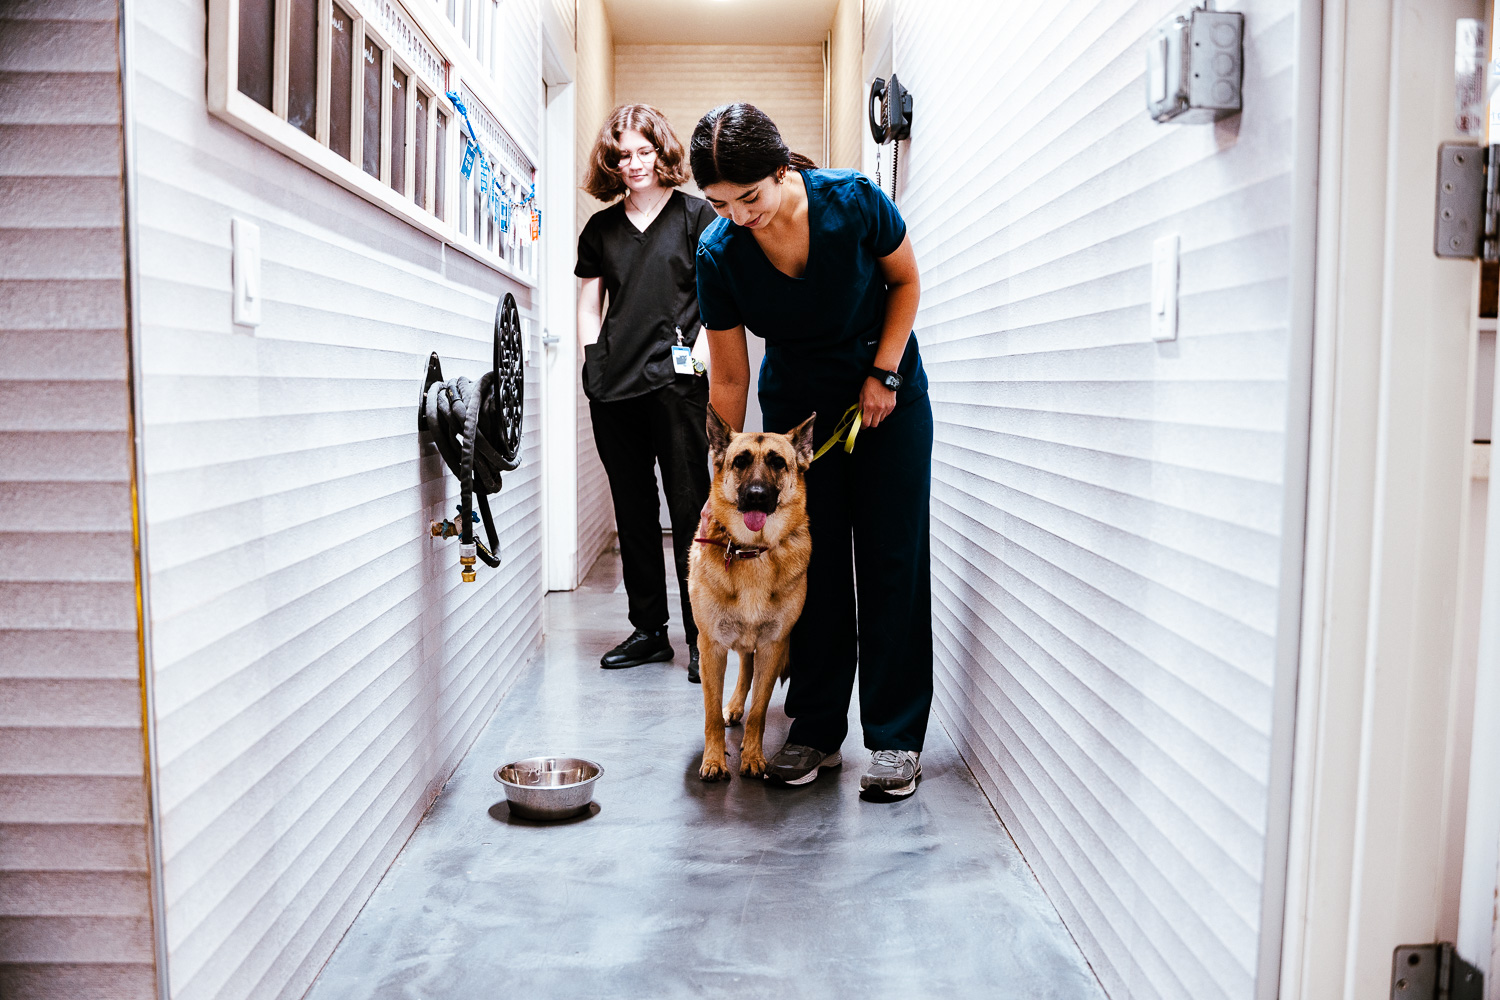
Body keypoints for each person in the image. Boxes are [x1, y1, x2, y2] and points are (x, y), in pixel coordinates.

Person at [689, 103, 934, 801]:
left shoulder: (852, 201)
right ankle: (816, 730)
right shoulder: (720, 252)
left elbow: (906, 282)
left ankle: (894, 740)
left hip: (886, 398)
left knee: (892, 562)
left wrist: (884, 374)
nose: (738, 216)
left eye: (750, 198)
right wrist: (717, 489)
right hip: (800, 424)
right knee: (808, 570)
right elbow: (731, 377)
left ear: (781, 168)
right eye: (719, 204)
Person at [576, 104, 718, 683]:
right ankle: (649, 631)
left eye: (643, 151)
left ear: (662, 153)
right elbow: (589, 304)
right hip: (616, 390)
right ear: (611, 162)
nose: (633, 164)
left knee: (690, 508)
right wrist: (592, 365)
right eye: (621, 155)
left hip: (678, 387)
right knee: (633, 512)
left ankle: (701, 637)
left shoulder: (697, 216)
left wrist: (705, 353)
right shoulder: (601, 230)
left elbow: (720, 296)